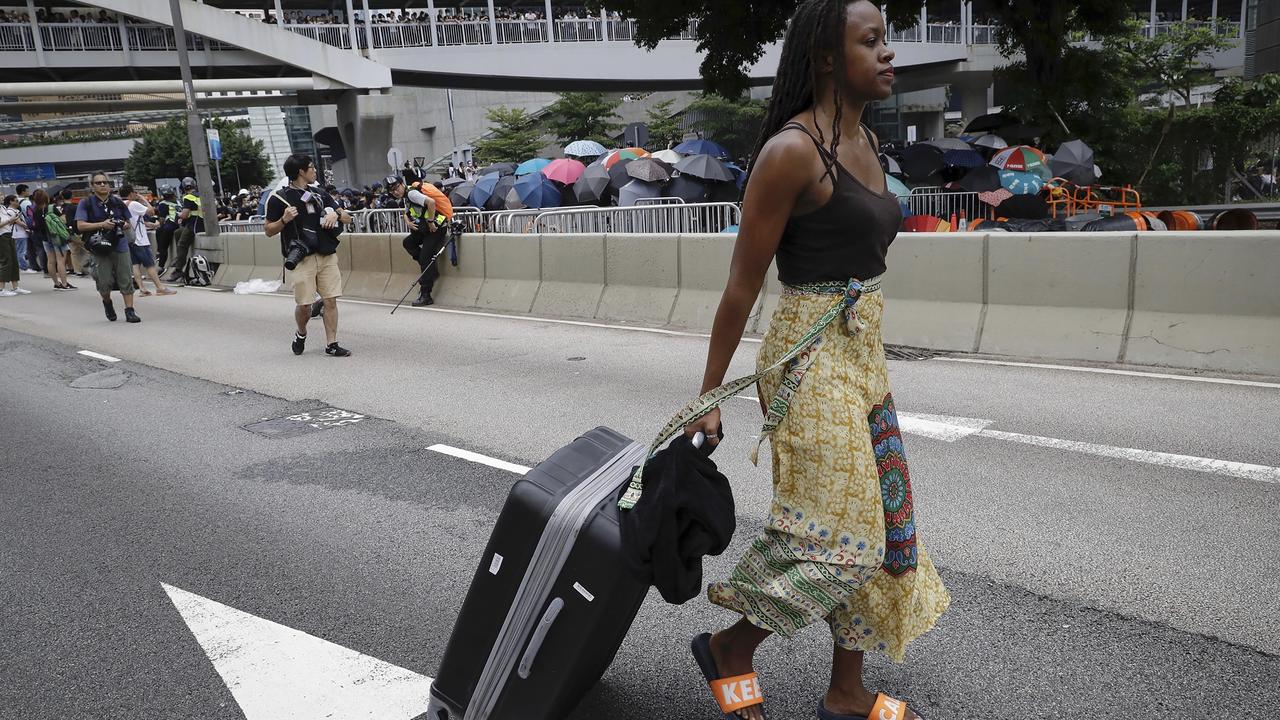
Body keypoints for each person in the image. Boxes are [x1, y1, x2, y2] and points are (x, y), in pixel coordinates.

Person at [679, 3, 947, 719]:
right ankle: (732, 646)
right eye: (872, 41)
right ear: (827, 57)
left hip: (864, 353)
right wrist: (708, 397)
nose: (890, 53)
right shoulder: (792, 152)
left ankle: (845, 691)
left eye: (887, 39)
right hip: (806, 353)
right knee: (842, 532)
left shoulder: (867, 142)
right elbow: (741, 285)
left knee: (888, 524)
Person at [264, 154, 353, 357]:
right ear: (301, 172)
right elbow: (268, 230)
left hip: (327, 254)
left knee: (330, 300)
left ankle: (332, 343)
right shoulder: (279, 198)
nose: (314, 171)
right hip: (301, 257)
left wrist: (335, 214)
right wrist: (284, 220)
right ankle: (301, 333)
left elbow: (347, 218)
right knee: (305, 305)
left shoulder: (320, 194)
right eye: (311, 168)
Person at [75, 171, 140, 323]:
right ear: (92, 186)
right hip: (99, 246)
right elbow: (80, 226)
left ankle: (129, 310)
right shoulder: (86, 203)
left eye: (105, 182)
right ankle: (107, 302)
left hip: (120, 243)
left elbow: (128, 223)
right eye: (98, 183)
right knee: (104, 281)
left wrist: (123, 225)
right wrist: (102, 224)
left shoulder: (117, 202)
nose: (103, 185)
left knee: (125, 278)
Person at [400, 177, 452, 307]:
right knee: (408, 243)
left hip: (436, 228)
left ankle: (426, 294)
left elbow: (431, 203)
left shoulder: (411, 193)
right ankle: (431, 270)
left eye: (396, 187)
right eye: (392, 190)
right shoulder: (407, 195)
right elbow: (407, 212)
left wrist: (430, 221)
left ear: (402, 184)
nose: (395, 191)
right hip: (425, 229)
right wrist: (407, 221)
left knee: (425, 257)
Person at [122, 184, 175, 297]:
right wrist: (143, 199)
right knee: (149, 265)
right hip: (140, 240)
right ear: (131, 193)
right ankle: (160, 287)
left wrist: (152, 225)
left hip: (129, 239)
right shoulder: (133, 204)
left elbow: (136, 221)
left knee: (135, 265)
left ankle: (142, 289)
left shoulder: (121, 205)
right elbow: (151, 212)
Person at [32, 189, 74, 290]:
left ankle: (56, 283)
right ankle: (64, 283)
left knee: (50, 261)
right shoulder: (51, 207)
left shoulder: (35, 210)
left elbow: (35, 226)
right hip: (57, 237)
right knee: (61, 261)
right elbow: (63, 220)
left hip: (45, 238)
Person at [165, 177, 203, 283]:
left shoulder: (188, 197)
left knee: (182, 244)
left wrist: (179, 214)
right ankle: (179, 257)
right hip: (200, 223)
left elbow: (185, 215)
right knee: (178, 232)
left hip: (194, 225)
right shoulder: (200, 195)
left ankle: (178, 269)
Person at [0, 194, 32, 296]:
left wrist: (12, 220)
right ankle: (1, 289)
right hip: (2, 236)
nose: (2, 197)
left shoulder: (3, 208)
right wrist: (10, 220)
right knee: (6, 261)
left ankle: (15, 287)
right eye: (0, 195)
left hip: (9, 234)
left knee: (14, 261)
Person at [10, 184, 36, 274]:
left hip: (20, 232)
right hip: (21, 231)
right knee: (23, 250)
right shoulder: (26, 202)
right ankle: (24, 267)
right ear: (23, 191)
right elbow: (30, 215)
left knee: (26, 249)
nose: (28, 192)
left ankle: (28, 266)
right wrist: (27, 226)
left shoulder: (16, 207)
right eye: (27, 191)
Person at [154, 188, 180, 270]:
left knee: (163, 247)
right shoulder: (178, 203)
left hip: (169, 226)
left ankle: (161, 266)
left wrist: (160, 225)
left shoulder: (162, 204)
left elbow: (161, 219)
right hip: (179, 225)